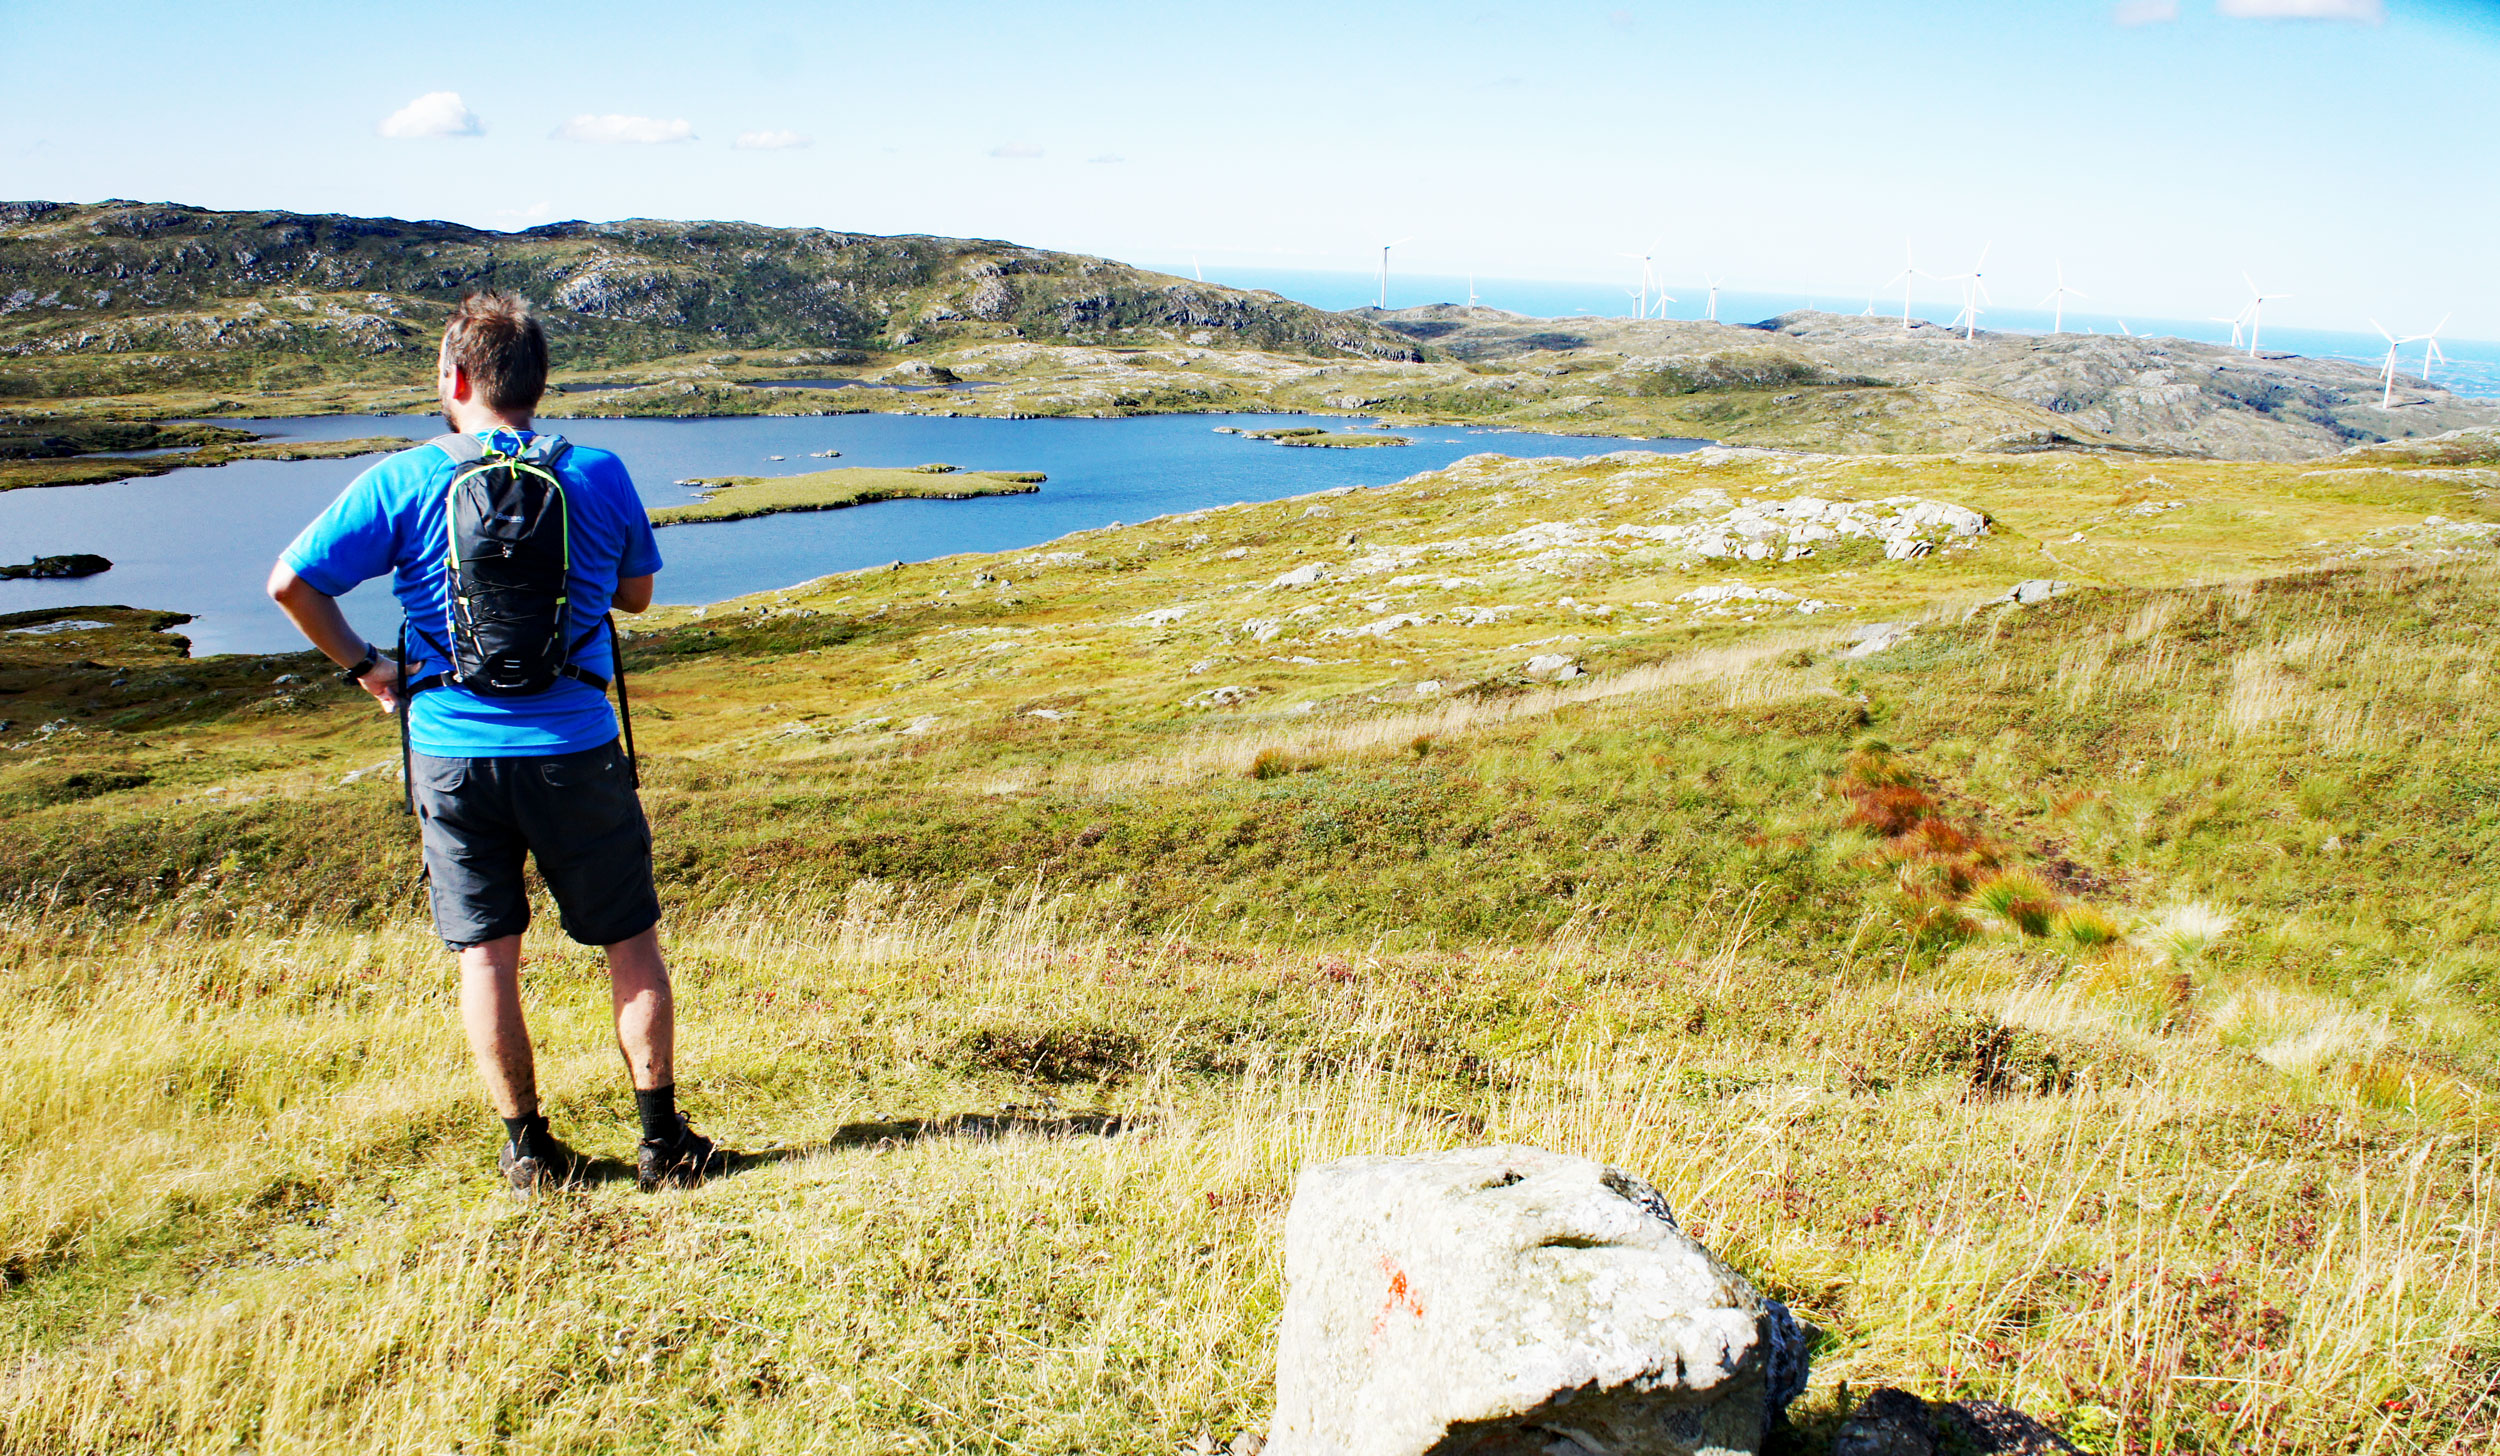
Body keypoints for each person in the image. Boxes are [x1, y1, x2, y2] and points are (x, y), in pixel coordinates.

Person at [266, 290, 726, 1196]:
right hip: (576, 744)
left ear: (459, 378)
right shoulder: (598, 471)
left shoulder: (403, 479)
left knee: (487, 957)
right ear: (538, 384)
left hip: (451, 750)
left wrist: (367, 667)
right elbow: (636, 597)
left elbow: (291, 584)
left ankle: (527, 1151)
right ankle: (662, 1144)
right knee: (628, 941)